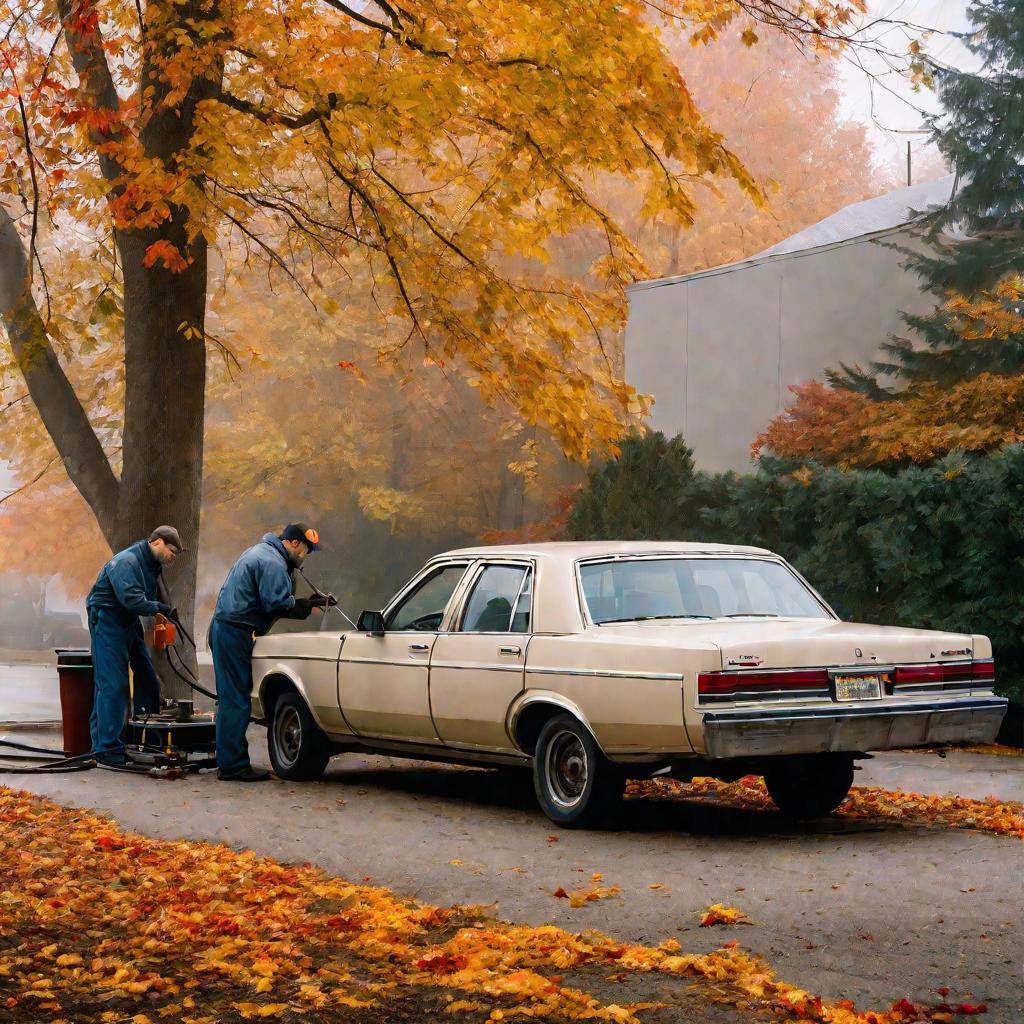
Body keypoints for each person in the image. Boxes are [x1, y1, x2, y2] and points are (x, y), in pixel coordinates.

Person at [210, 523, 328, 781]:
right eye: (307, 550)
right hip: (234, 632)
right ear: (295, 543)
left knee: (232, 697)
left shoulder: (263, 553)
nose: (306, 556)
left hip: (228, 629)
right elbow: (275, 603)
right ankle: (233, 767)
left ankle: (228, 760)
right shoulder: (272, 562)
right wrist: (306, 606)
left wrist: (307, 604)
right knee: (236, 700)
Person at [86, 526, 183, 763]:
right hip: (108, 618)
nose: (173, 557)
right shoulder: (127, 561)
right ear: (157, 542)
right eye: (172, 551)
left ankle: (145, 739)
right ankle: (106, 749)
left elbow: (152, 597)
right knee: (113, 684)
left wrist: (162, 611)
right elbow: (131, 599)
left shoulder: (152, 565)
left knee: (148, 678)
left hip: (128, 620)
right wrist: (159, 608)